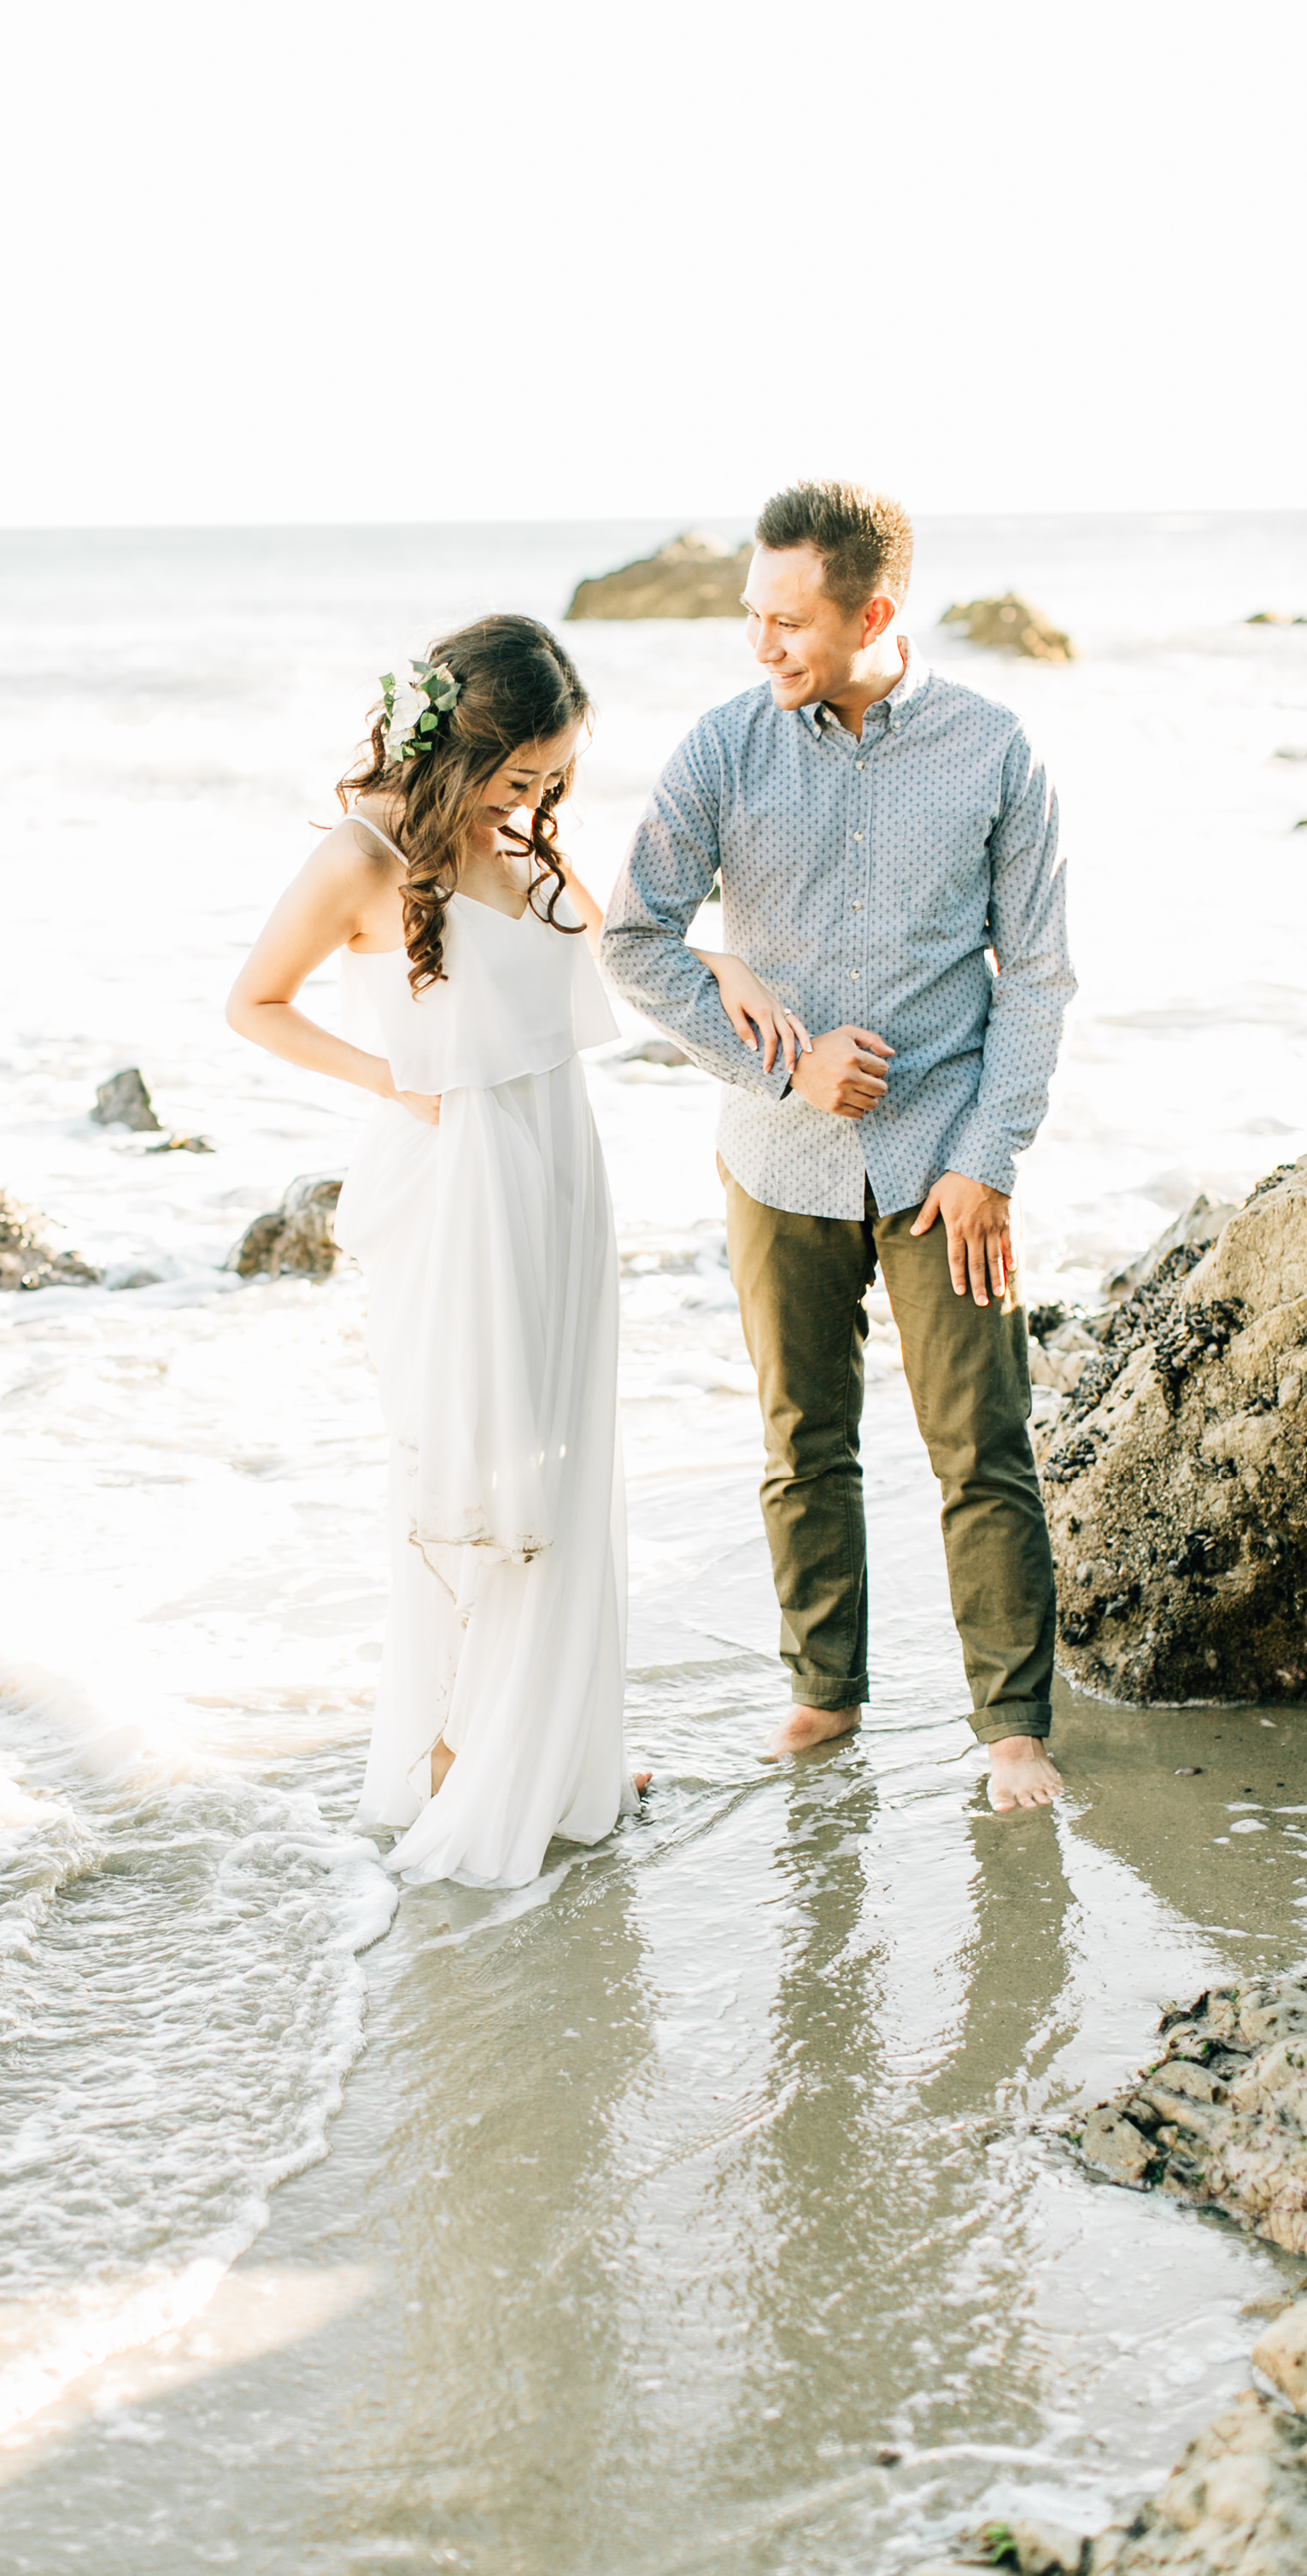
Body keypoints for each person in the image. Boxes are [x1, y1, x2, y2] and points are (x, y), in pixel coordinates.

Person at [227, 613, 804, 1886]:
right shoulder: (363, 853)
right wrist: (403, 1085)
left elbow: (610, 946)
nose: (534, 802)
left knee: (564, 1445)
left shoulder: (511, 839)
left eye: (552, 782)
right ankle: (458, 1760)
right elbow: (252, 1005)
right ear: (457, 749)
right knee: (481, 1459)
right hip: (466, 1170)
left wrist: (719, 964)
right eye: (519, 777)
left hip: (559, 1154)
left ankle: (558, 1743)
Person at [601, 482, 1076, 1813]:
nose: (762, 647)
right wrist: (786, 1060)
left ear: (874, 611)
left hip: (944, 1160)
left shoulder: (995, 752)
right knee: (800, 1438)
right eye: (753, 617)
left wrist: (991, 1159)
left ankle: (1013, 1729)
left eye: (788, 621)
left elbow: (1036, 977)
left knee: (982, 1443)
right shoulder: (721, 750)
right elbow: (632, 938)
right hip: (777, 1156)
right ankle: (825, 1694)